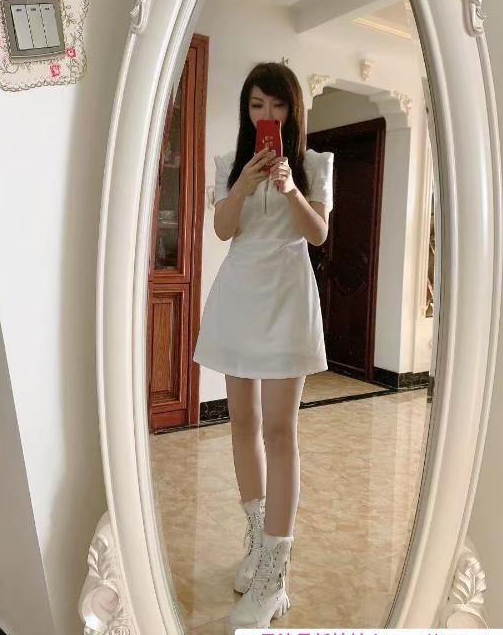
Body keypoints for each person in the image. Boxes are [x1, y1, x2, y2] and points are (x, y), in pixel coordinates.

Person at [192, 62, 334, 631]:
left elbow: (317, 234)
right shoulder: (231, 163)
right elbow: (224, 229)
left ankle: (275, 577)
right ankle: (256, 540)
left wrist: (290, 189)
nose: (266, 116)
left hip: (287, 294)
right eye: (256, 106)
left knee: (280, 431)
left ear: (292, 111)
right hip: (239, 293)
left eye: (276, 106)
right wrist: (245, 186)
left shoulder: (315, 165)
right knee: (243, 424)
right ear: (246, 111)